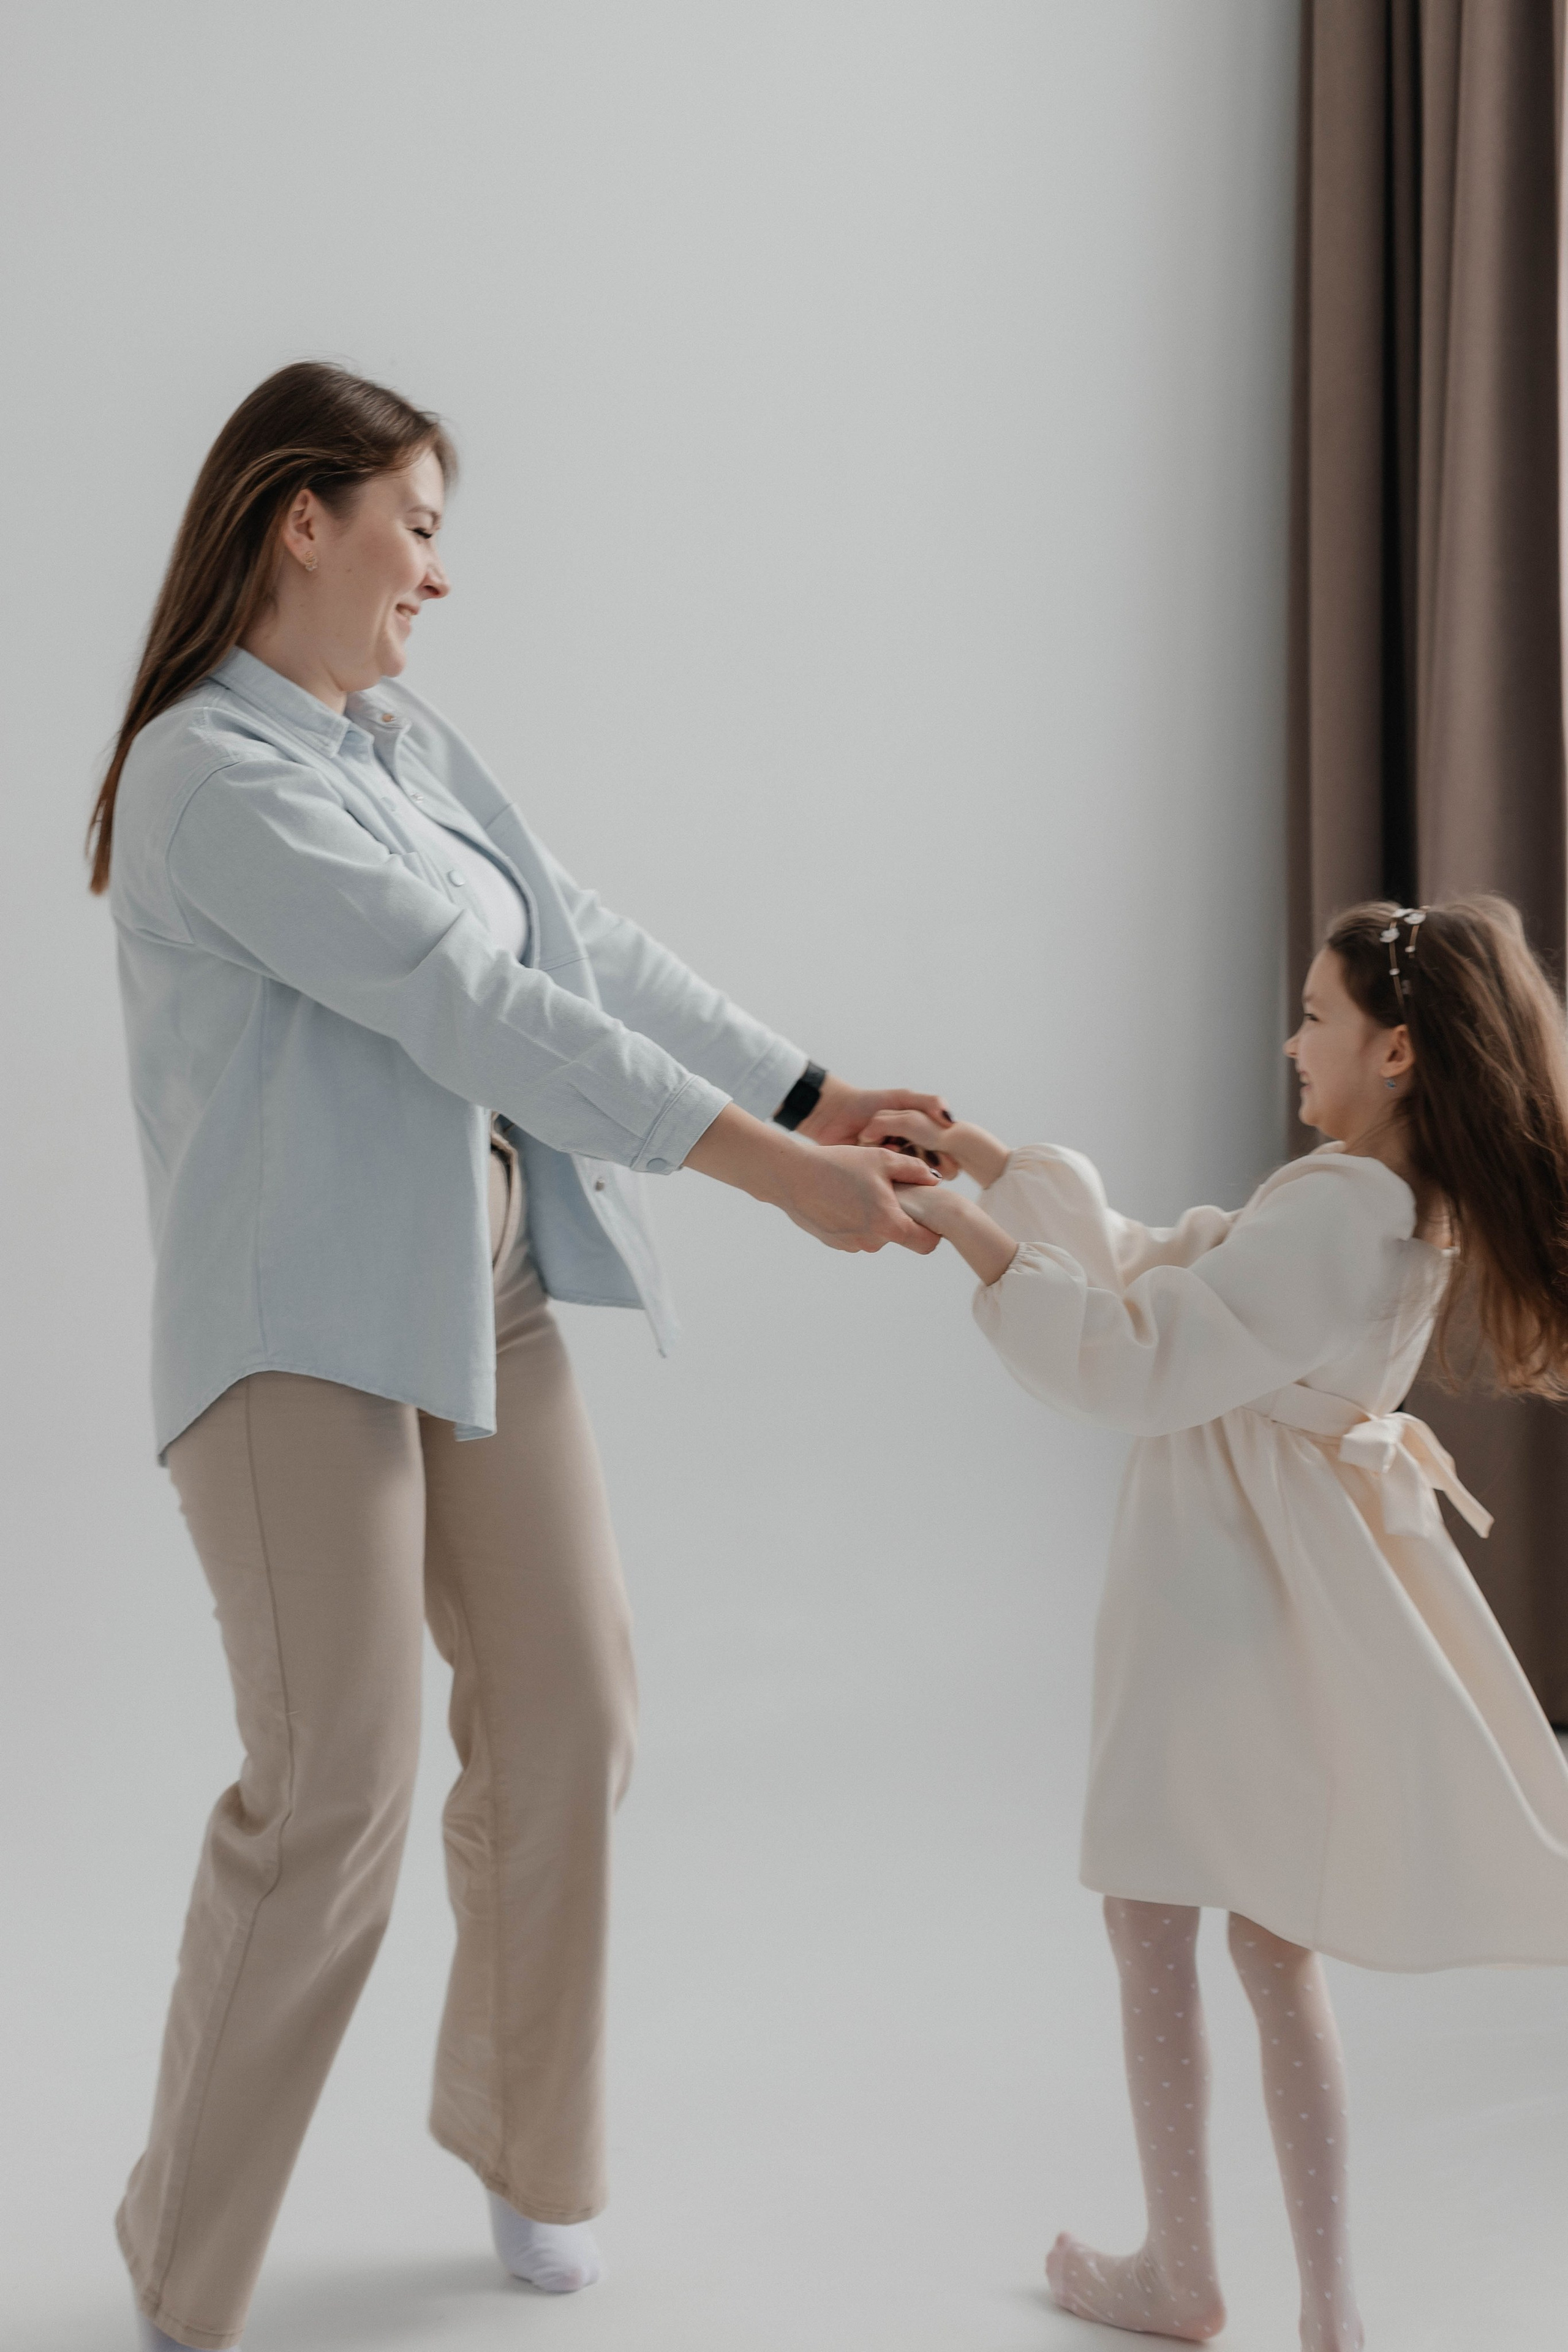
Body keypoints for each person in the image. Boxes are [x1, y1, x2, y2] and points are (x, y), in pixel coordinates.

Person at [92, 360, 952, 2352]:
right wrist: (767, 1180)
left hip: (479, 1289)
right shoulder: (207, 777)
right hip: (294, 1333)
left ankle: (517, 2136)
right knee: (337, 1804)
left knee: (573, 1714)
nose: (437, 576)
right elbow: (470, 1003)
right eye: (420, 523)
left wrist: (810, 1090)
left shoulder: (388, 734)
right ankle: (177, 2269)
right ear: (302, 520)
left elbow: (571, 932)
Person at [864, 895, 1568, 2350]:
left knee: (1151, 1919)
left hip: (1217, 1584)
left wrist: (976, 1237)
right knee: (1267, 1937)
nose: (1289, 1042)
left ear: (1394, 1051)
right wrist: (998, 1168)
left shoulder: (1329, 1207)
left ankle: (1178, 2270)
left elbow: (1139, 1356)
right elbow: (1177, 1265)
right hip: (1288, 1575)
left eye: (1314, 1018)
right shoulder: (1393, 1208)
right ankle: (1325, 2308)